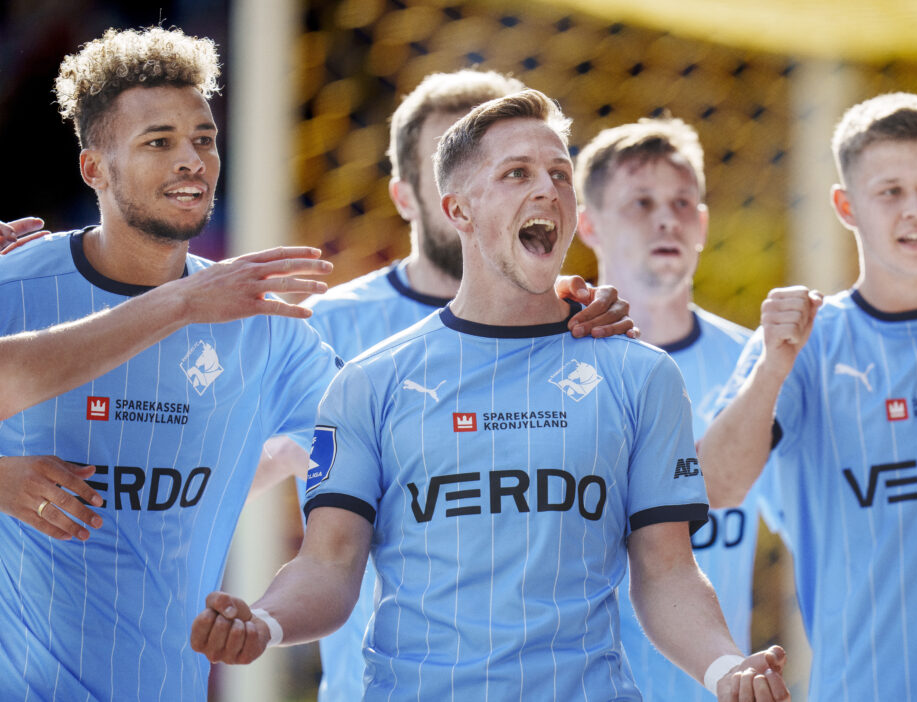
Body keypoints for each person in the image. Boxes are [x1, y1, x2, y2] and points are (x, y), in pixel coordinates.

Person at [191, 89, 789, 702]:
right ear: (459, 209)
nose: (547, 189)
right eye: (516, 173)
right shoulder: (371, 380)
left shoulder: (641, 375)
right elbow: (329, 565)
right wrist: (263, 620)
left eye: (560, 173)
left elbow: (667, 572)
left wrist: (724, 668)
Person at [0, 27, 339, 701]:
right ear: (94, 168)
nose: (192, 160)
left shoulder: (262, 321)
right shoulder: (15, 287)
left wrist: (232, 478)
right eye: (158, 141)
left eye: (204, 139)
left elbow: (347, 437)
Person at [297, 68, 636, 700]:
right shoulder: (330, 332)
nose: (513, 189)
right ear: (414, 195)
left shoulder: (581, 325)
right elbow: (232, 465)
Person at [699, 92, 917, 700]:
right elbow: (713, 488)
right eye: (889, 192)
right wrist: (772, 369)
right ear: (847, 207)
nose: (915, 211)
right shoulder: (807, 347)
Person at [575, 117, 765, 702]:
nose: (666, 219)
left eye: (683, 202)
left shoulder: (755, 364)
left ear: (703, 224)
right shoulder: (549, 364)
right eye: (640, 203)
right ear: (589, 225)